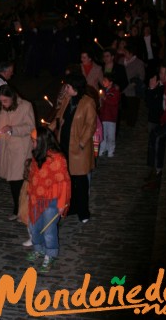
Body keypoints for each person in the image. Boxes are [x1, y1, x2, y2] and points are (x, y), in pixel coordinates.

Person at [50, 72, 97, 223]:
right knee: (67, 179)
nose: (66, 88)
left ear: (75, 88)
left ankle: (83, 211)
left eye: (68, 86)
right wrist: (49, 130)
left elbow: (91, 125)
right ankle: (72, 206)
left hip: (79, 150)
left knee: (81, 181)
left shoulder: (88, 102)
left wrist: (82, 143)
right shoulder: (67, 99)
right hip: (64, 145)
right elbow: (59, 116)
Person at [26, 126, 71, 273]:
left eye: (33, 141)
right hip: (35, 198)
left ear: (41, 141)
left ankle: (50, 254)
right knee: (34, 226)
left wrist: (61, 204)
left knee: (49, 230)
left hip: (51, 200)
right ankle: (38, 249)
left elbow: (63, 182)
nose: (31, 143)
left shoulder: (58, 159)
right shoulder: (37, 154)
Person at [0, 84, 35, 220]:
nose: (3, 104)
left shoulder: (26, 106)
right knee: (12, 182)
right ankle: (18, 209)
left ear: (12, 97)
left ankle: (21, 211)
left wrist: (12, 129)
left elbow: (30, 127)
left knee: (19, 181)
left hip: (20, 149)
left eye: (5, 101)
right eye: (0, 100)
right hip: (6, 149)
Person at [120, 38, 146, 127]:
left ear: (131, 53)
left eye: (126, 52)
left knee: (132, 108)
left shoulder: (139, 63)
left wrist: (133, 84)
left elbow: (141, 77)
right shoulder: (121, 61)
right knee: (123, 108)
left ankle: (131, 124)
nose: (124, 54)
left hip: (132, 91)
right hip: (122, 90)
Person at [98, 72, 121, 158]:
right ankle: (102, 150)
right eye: (103, 81)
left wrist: (104, 98)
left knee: (111, 135)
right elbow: (101, 103)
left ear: (110, 82)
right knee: (103, 134)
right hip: (103, 117)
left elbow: (114, 102)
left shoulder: (115, 91)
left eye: (105, 81)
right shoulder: (103, 91)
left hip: (111, 117)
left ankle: (111, 150)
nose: (103, 82)